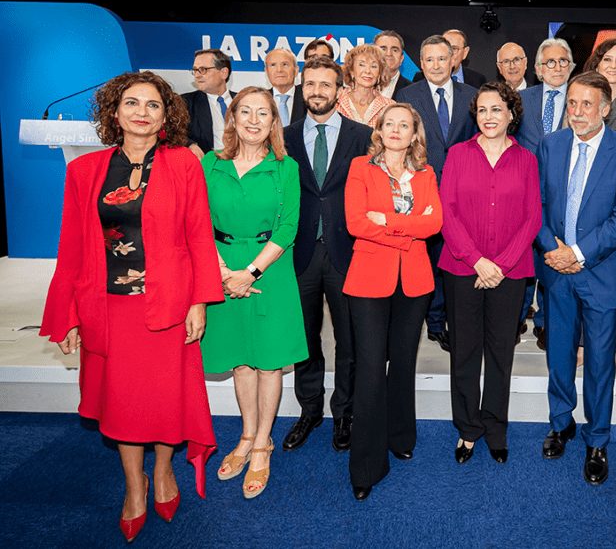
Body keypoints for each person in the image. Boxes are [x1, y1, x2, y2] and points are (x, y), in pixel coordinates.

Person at [40, 71, 222, 542]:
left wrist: (200, 301)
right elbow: (73, 247)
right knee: (122, 403)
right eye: (132, 103)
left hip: (168, 305)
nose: (142, 112)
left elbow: (200, 236)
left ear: (166, 116)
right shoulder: (84, 171)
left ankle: (162, 472)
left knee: (163, 400)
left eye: (153, 105)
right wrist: (68, 313)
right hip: (109, 306)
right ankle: (133, 484)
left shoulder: (184, 164)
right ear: (115, 113)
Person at [536, 71, 616, 486]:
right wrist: (554, 251)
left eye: (586, 105)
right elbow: (539, 205)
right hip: (557, 272)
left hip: (600, 272)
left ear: (605, 108)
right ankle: (560, 423)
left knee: (600, 363)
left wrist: (577, 253)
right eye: (572, 103)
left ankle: (597, 438)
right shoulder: (551, 144)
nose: (577, 112)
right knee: (559, 352)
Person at [201, 87, 307, 499]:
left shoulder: (286, 167)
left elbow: (288, 227)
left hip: (270, 270)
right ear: (232, 118)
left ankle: (262, 444)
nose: (252, 119)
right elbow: (198, 221)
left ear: (273, 122)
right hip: (220, 267)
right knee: (241, 361)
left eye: (262, 113)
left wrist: (250, 271)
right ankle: (246, 435)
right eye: (245, 111)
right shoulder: (211, 163)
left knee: (268, 363)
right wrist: (223, 269)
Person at [344, 102, 443, 501]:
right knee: (370, 367)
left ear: (415, 133)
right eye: (390, 124)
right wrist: (409, 230)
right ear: (379, 130)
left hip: (414, 281)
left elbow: (434, 224)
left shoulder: (425, 173)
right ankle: (366, 466)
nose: (397, 130)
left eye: (405, 124)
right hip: (368, 280)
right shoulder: (360, 168)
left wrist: (388, 221)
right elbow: (356, 223)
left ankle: (401, 435)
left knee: (403, 363)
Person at [439, 82, 542, 465]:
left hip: (510, 272)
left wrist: (500, 264)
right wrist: (477, 260)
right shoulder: (457, 155)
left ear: (511, 114)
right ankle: (468, 429)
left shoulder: (527, 160)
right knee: (464, 353)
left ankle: (495, 428)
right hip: (462, 268)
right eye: (482, 110)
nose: (489, 117)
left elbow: (533, 217)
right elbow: (447, 212)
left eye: (496, 109)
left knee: (500, 353)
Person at [281, 56, 373, 454]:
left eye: (326, 84)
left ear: (341, 90)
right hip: (298, 253)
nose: (317, 91)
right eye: (311, 84)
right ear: (303, 89)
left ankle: (344, 413)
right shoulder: (282, 136)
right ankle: (310, 410)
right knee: (304, 339)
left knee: (348, 340)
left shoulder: (365, 135)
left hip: (348, 251)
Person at [396, 34, 478, 352]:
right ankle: (432, 322)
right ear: (421, 62)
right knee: (426, 260)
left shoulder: (472, 95)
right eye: (428, 60)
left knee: (455, 259)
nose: (435, 65)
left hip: (462, 193)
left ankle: (452, 321)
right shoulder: (407, 95)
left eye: (442, 59)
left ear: (453, 60)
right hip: (421, 191)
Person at [517, 38, 576, 349]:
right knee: (523, 259)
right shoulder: (520, 99)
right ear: (538, 69)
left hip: (566, 194)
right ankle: (515, 320)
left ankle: (545, 324)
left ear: (571, 67)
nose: (556, 67)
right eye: (549, 62)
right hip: (524, 192)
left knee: (552, 259)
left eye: (563, 61)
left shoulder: (580, 100)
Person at [181, 48, 236, 155]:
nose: (197, 75)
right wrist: (190, 145)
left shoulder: (244, 100)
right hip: (208, 165)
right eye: (195, 70)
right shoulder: (185, 102)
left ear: (224, 73)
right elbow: (170, 132)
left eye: (203, 69)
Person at [336, 43, 394, 127]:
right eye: (362, 65)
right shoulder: (335, 103)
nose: (367, 71)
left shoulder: (389, 107)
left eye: (373, 66)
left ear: (379, 74)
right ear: (351, 71)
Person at [414, 29, 486, 87]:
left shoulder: (478, 80)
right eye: (444, 49)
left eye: (454, 48)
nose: (449, 54)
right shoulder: (420, 78)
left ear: (465, 52)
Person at [265, 48, 306, 124]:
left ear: (296, 70)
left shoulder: (308, 98)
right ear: (267, 72)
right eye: (273, 65)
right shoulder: (260, 99)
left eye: (285, 64)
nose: (279, 70)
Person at [374, 30, 412, 99]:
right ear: (373, 55)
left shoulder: (414, 91)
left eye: (395, 50)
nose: (389, 54)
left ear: (401, 58)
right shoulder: (357, 88)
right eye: (383, 49)